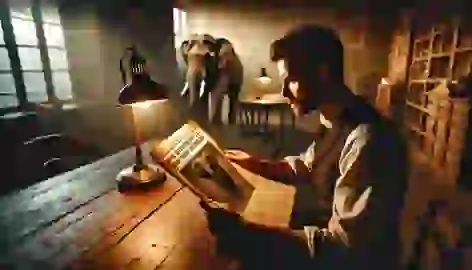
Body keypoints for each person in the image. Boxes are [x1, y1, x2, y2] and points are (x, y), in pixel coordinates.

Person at [200, 24, 409, 270]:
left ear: (322, 73)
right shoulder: (336, 118)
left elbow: (344, 249)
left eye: (291, 80)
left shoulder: (367, 139)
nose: (283, 92)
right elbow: (305, 165)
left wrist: (245, 234)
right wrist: (253, 163)